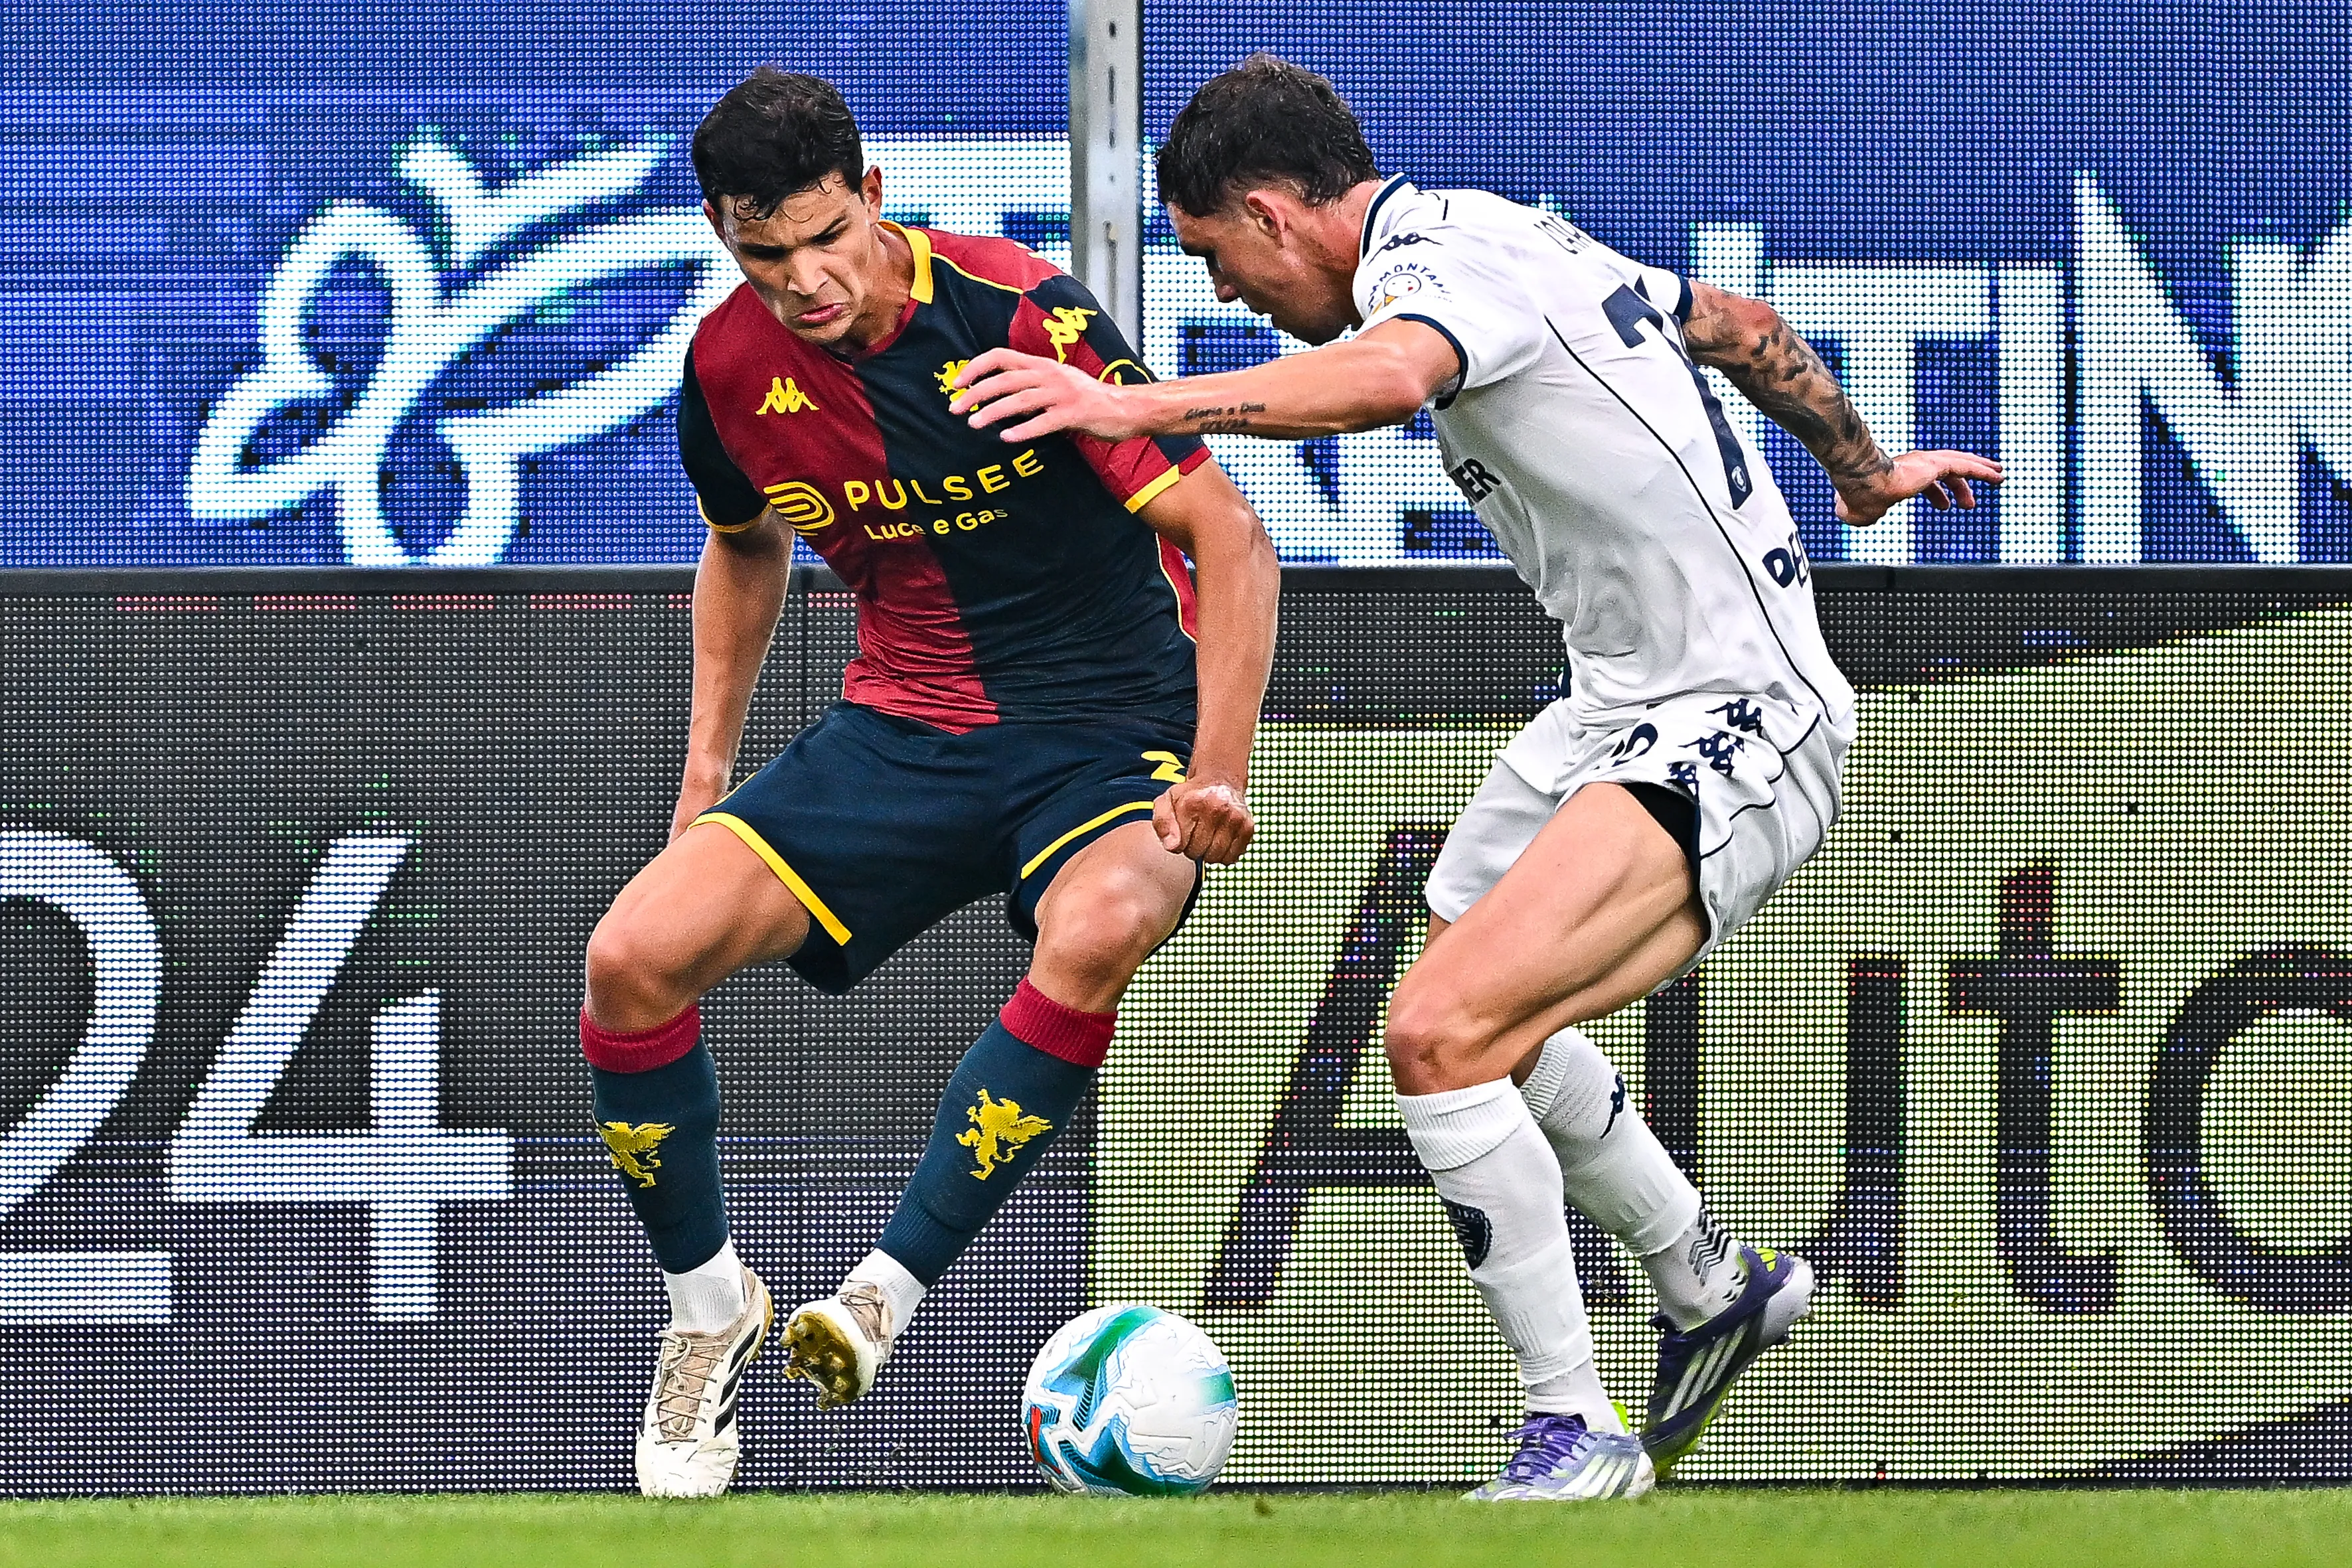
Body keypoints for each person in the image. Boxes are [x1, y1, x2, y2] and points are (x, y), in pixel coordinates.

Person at [950, 54, 1999, 1501]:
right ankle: (1710, 1283)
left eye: (1214, 257)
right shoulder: (1508, 229)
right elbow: (1739, 326)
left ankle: (1575, 1429)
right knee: (1462, 980)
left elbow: (1390, 378)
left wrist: (1142, 408)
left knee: (1439, 1034)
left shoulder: (1428, 276)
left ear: (1270, 213)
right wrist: (1862, 469)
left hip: (1735, 712)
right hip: (1615, 706)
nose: (1226, 293)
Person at [582, 68, 1279, 1498]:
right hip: (900, 729)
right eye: (764, 254)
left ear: (875, 198)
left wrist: (1217, 773)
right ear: (723, 239)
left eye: (826, 238)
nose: (804, 281)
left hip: (1109, 734)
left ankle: (880, 1297)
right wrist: (705, 768)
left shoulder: (1021, 312)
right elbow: (744, 545)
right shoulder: (728, 370)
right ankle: (709, 1309)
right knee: (629, 960)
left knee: (1103, 921)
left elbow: (1230, 536)